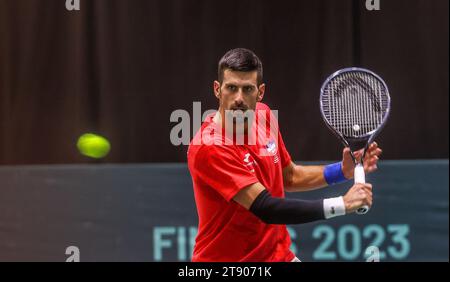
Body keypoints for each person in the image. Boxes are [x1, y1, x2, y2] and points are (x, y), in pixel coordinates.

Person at [187, 48, 382, 262]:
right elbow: (265, 208)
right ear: (217, 89)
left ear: (260, 92)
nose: (239, 98)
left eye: (247, 89)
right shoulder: (209, 146)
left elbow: (288, 176)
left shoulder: (263, 115)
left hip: (278, 256)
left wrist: (341, 171)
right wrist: (343, 204)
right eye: (231, 88)